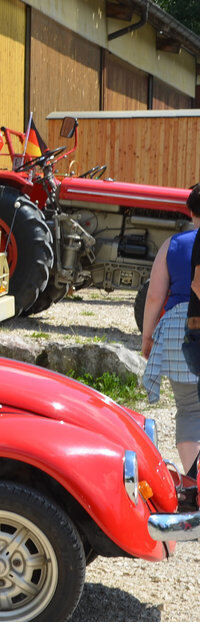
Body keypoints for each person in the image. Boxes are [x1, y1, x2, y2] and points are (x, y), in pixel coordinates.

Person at [142, 184, 200, 475]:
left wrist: (147, 337)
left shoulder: (173, 245)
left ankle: (193, 480)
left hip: (181, 329)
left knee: (189, 409)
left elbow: (154, 296)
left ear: (191, 212)